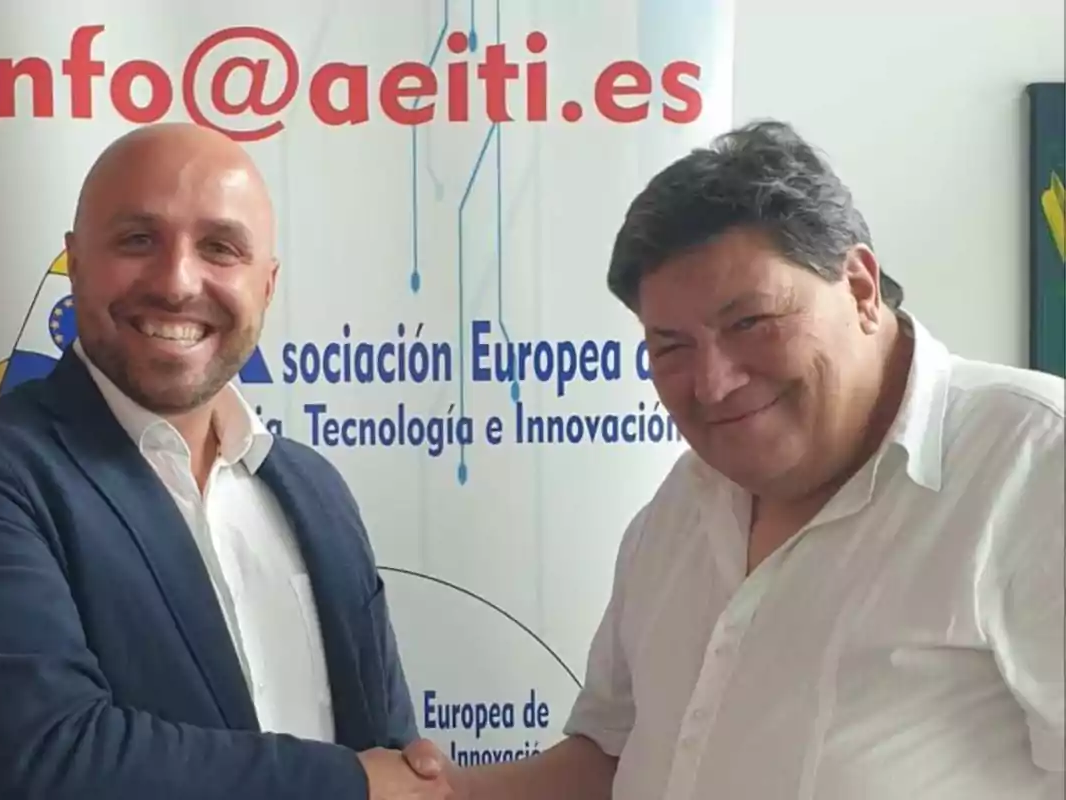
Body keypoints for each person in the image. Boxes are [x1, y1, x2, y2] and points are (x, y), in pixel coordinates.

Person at [403, 120, 1066, 798]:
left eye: (750, 323)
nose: (713, 382)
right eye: (670, 347)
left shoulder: (1034, 463)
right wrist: (440, 793)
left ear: (861, 288)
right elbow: (615, 756)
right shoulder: (681, 505)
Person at [0, 122, 451, 800]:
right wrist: (351, 784)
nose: (178, 282)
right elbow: (39, 763)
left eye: (220, 247)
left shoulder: (314, 489)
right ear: (76, 262)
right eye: (138, 239)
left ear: (266, 285)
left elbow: (389, 749)